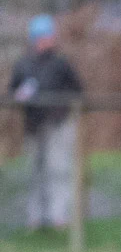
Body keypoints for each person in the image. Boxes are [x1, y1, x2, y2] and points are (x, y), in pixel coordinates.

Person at [8, 14, 82, 232]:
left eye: (49, 36)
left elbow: (78, 91)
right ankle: (35, 217)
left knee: (58, 170)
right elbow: (13, 91)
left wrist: (62, 109)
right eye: (42, 36)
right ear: (34, 39)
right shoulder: (23, 65)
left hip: (57, 126)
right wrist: (19, 96)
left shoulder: (61, 64)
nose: (46, 40)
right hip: (33, 127)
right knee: (35, 171)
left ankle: (58, 216)